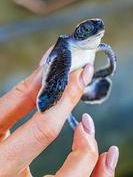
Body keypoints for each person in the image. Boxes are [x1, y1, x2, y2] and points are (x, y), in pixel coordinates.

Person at [0, 48, 119, 177]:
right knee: (53, 116)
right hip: (64, 80)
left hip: (74, 78)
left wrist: (109, 67)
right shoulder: (66, 46)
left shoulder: (96, 44)